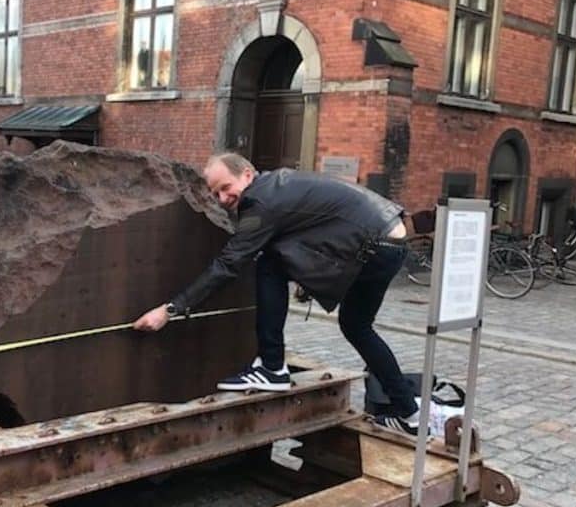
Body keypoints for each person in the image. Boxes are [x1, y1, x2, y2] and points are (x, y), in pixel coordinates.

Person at [133, 153, 420, 435]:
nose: (222, 199)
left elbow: (230, 263)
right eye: (215, 193)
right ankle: (409, 413)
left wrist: (170, 309)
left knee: (270, 264)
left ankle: (272, 367)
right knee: (357, 327)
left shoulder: (258, 202)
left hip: (373, 245)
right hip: (391, 242)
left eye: (225, 187)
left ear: (247, 174)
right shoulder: (277, 186)